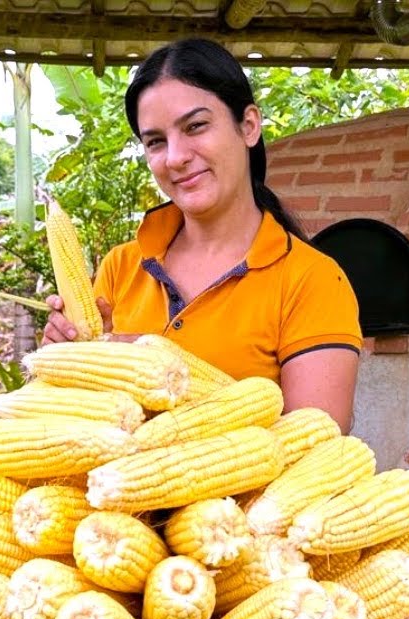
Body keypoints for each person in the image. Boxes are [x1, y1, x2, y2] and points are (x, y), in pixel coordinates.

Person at [43, 38, 362, 432]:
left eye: (195, 126)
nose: (175, 157)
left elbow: (315, 445)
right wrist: (65, 364)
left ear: (248, 126)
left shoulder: (312, 280)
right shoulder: (120, 267)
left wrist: (159, 366)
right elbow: (80, 428)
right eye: (155, 141)